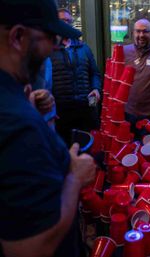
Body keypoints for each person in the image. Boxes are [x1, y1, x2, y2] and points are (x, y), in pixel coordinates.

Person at [0, 1, 96, 257]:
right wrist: (75, 176)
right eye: (51, 38)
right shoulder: (17, 124)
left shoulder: (14, 103)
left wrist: (30, 108)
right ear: (18, 37)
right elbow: (31, 249)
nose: (54, 47)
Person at [51, 8, 101, 146]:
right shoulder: (49, 49)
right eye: (62, 21)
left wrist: (96, 89)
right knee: (64, 148)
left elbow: (95, 73)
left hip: (86, 105)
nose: (66, 24)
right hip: (61, 110)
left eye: (68, 21)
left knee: (91, 145)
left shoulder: (84, 48)